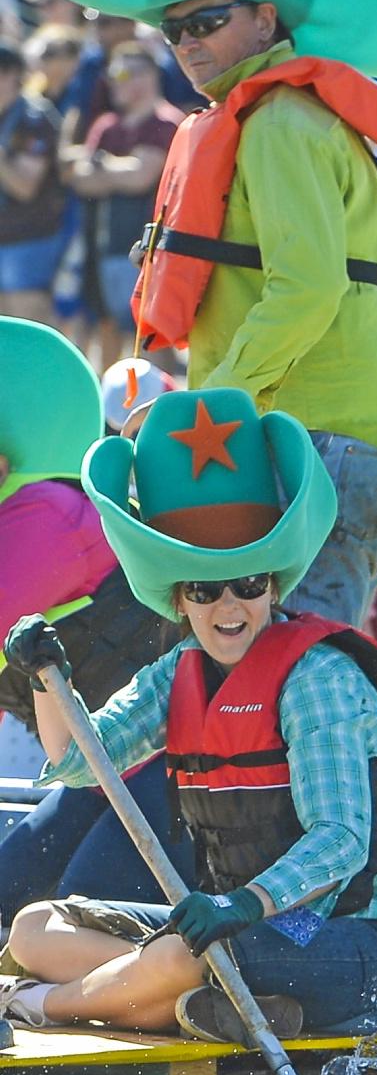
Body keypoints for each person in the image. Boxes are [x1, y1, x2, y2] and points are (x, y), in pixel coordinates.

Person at [19, 0, 377, 630]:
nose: (188, 44)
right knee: (293, 661)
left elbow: (306, 290)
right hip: (332, 427)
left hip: (332, 434)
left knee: (304, 665)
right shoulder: (274, 115)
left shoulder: (278, 123)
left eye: (208, 21)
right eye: (174, 31)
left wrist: (203, 407)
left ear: (264, 21)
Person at [2, 389, 377, 1042]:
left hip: (367, 938)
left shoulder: (318, 677)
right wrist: (48, 677)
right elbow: (77, 763)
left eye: (250, 584)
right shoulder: (178, 670)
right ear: (182, 600)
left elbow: (342, 842)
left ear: (274, 585)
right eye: (206, 590)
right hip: (243, 929)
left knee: (195, 955)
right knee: (35, 928)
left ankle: (38, 1004)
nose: (231, 606)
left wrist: (243, 904)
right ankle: (201, 1005)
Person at [0, 321, 179, 923]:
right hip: (97, 772)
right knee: (10, 907)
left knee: (75, 915)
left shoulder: (44, 514)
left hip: (176, 766)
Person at [64, 41, 181, 355]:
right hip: (106, 246)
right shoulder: (107, 125)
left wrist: (103, 165)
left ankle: (157, 402)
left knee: (151, 337)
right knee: (108, 327)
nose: (115, 81)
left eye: (123, 73)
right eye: (113, 73)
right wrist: (120, 167)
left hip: (151, 251)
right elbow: (81, 180)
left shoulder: (167, 122)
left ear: (148, 76)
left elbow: (139, 178)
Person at [0, 43, 70, 326]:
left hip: (30, 238)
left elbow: (24, 186)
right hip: (7, 238)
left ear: (12, 74)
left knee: (29, 324)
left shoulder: (34, 117)